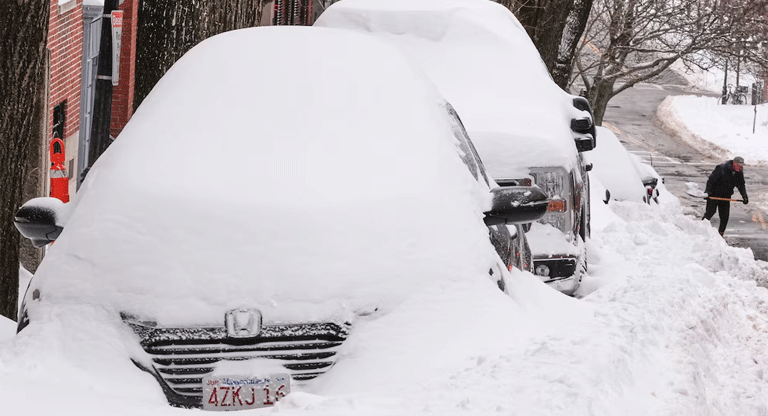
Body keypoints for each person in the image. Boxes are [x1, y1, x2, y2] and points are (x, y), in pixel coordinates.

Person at [702, 156, 748, 236]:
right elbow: (711, 181)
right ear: (734, 164)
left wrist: (744, 196)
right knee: (710, 212)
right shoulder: (722, 168)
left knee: (725, 216)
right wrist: (707, 192)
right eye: (739, 166)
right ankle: (699, 228)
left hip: (726, 196)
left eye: (742, 166)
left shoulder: (739, 173)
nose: (741, 168)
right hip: (714, 194)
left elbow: (741, 185)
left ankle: (720, 234)